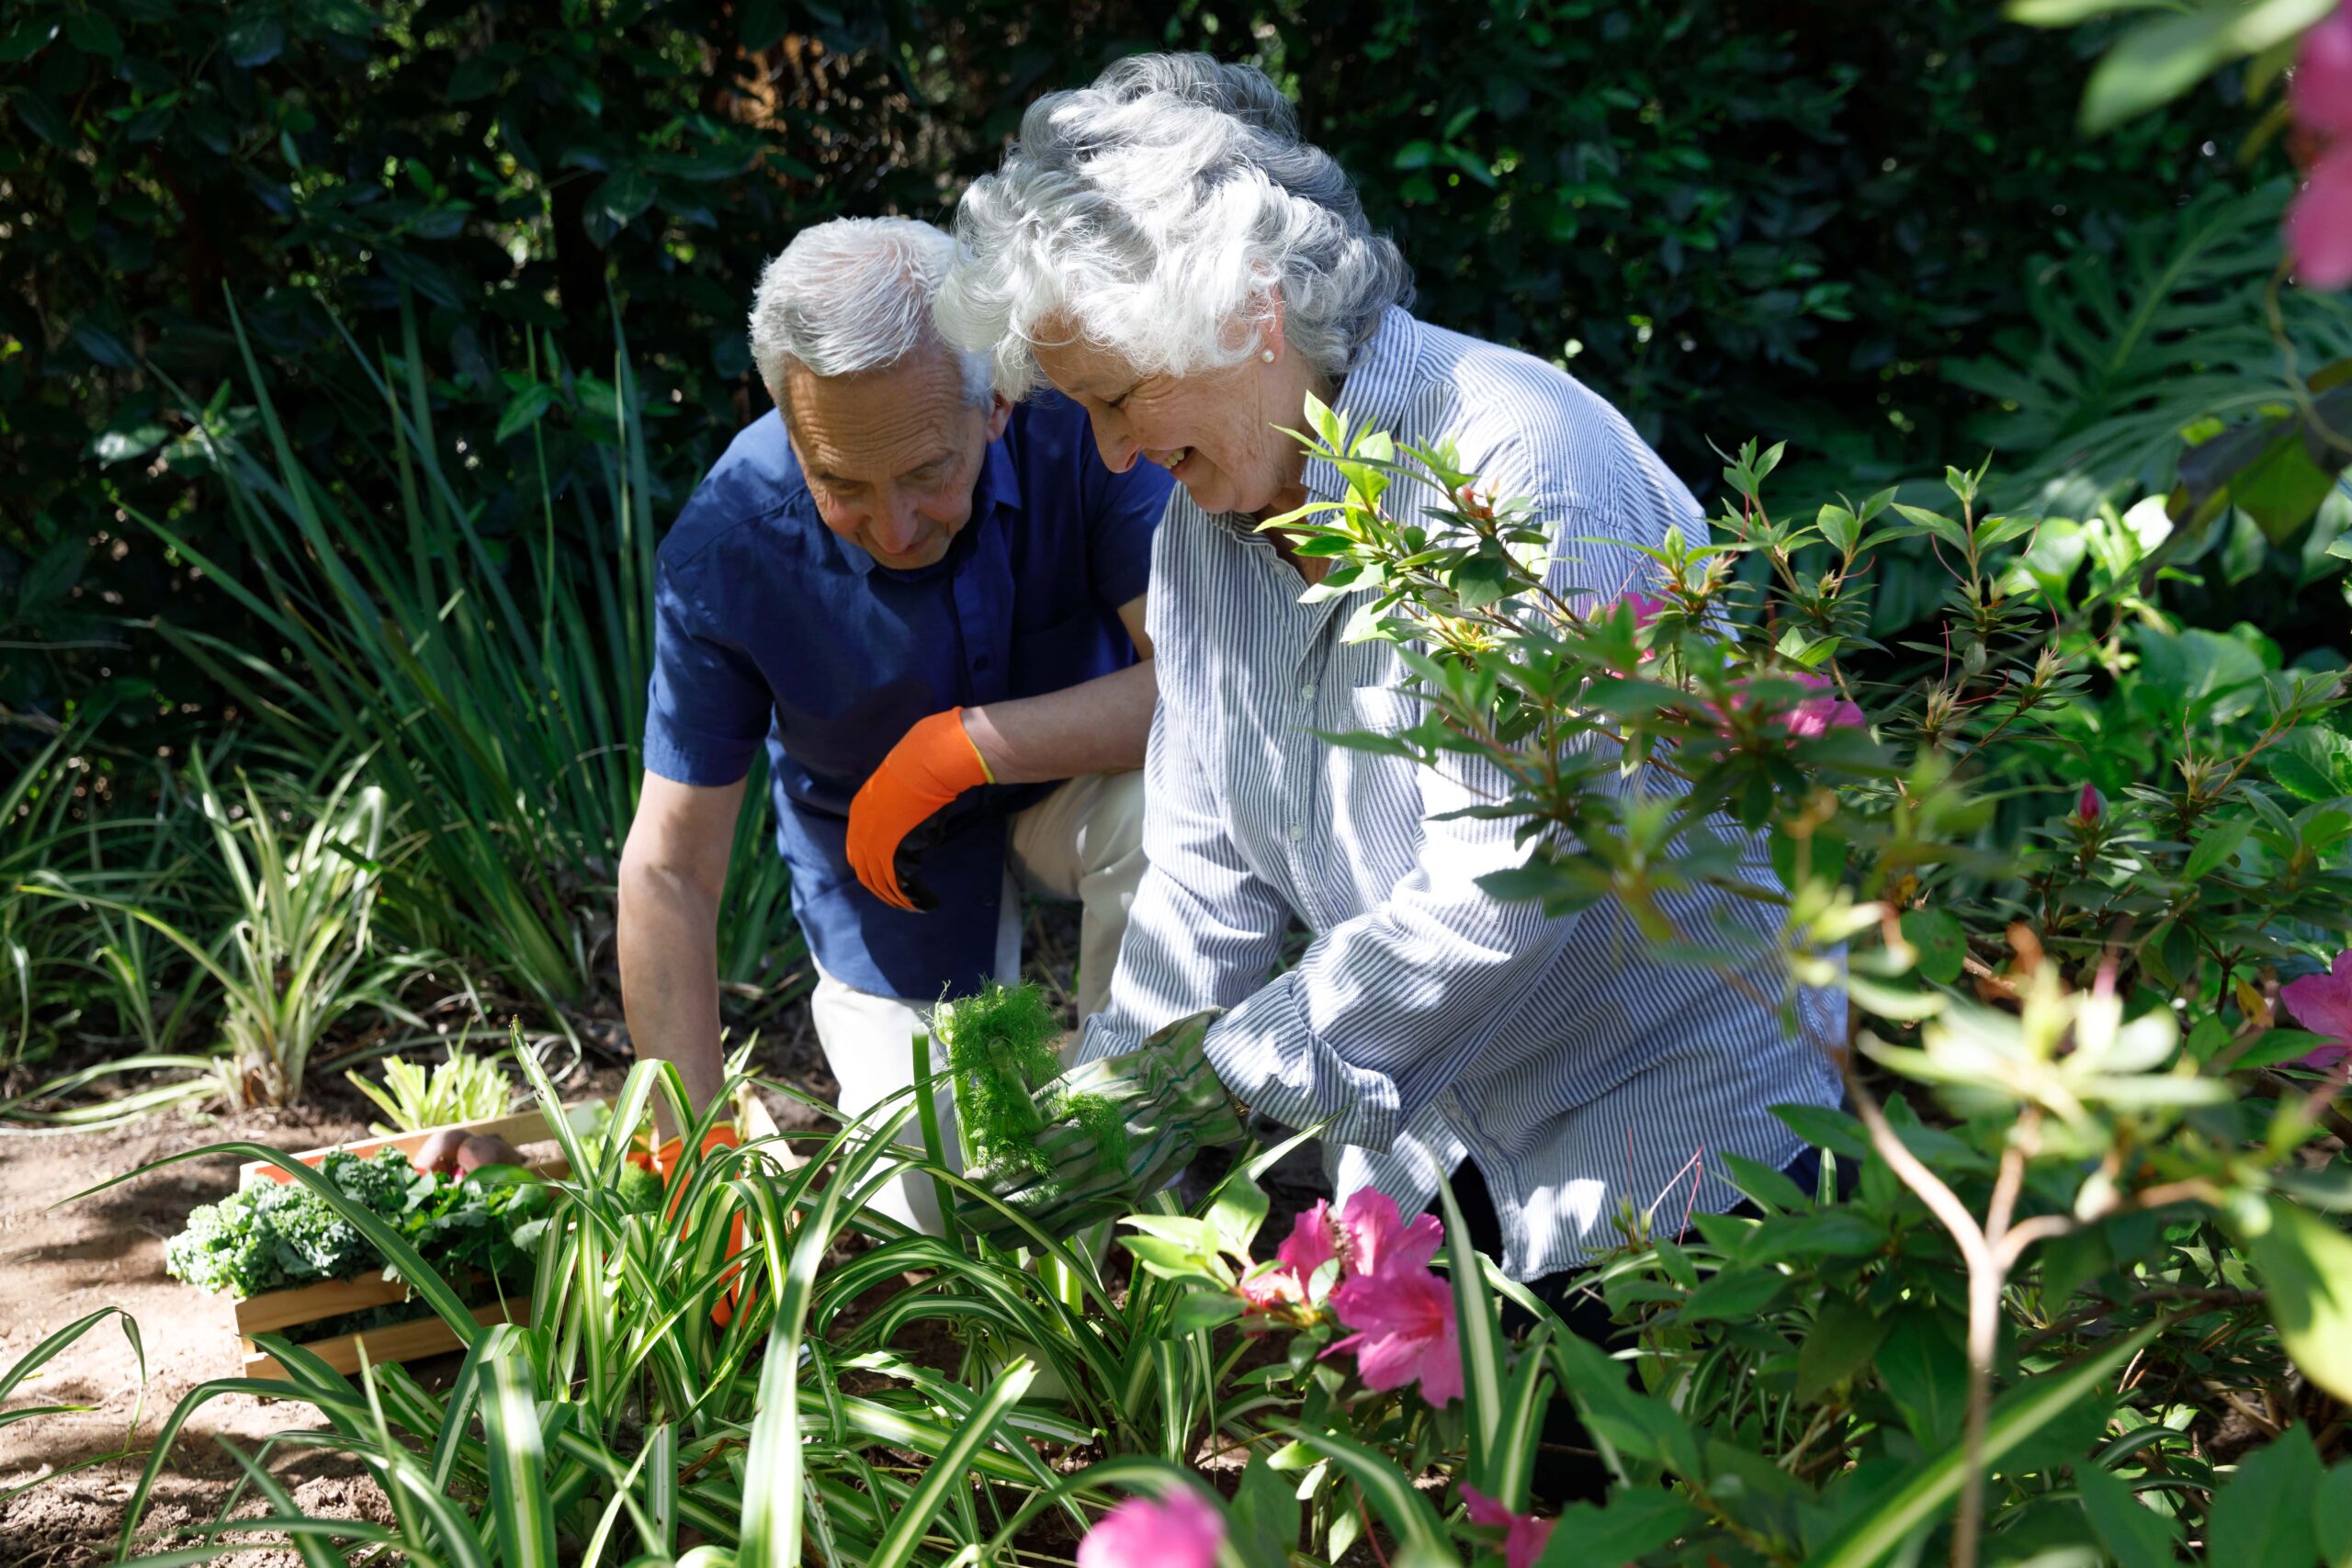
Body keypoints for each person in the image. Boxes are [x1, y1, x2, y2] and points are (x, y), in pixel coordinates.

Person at [934, 56, 1845, 1286]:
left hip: (1676, 1145)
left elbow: (1507, 887)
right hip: (1435, 1163)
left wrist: (1215, 1079)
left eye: (1116, 397)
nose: (1107, 452)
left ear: (1246, 313)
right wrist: (1111, 1108)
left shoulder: (1516, 472)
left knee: (1621, 1476)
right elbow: (1203, 878)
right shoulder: (1202, 543)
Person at [618, 217, 1173, 1231]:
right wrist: (686, 1157)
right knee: (935, 1198)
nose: (894, 527)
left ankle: (1145, 1174)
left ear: (996, 404)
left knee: (1171, 815)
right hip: (876, 862)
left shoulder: (1084, 426)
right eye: (841, 484)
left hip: (1078, 785)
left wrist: (959, 748)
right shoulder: (726, 545)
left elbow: (1199, 694)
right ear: (791, 431)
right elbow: (669, 868)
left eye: (926, 473)